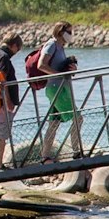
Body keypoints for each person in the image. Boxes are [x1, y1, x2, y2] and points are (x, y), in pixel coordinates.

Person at [35, 22, 82, 159]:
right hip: (56, 89)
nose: (71, 35)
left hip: (60, 87)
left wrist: (70, 69)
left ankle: (45, 156)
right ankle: (76, 151)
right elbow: (41, 65)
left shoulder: (60, 47)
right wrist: (58, 74)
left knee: (54, 123)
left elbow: (59, 66)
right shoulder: (52, 44)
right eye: (69, 32)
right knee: (78, 118)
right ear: (61, 32)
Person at [0, 32, 23, 164]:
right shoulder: (4, 57)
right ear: (13, 45)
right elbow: (2, 79)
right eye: (18, 49)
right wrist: (7, 100)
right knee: (2, 134)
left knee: (0, 133)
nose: (17, 52)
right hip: (3, 102)